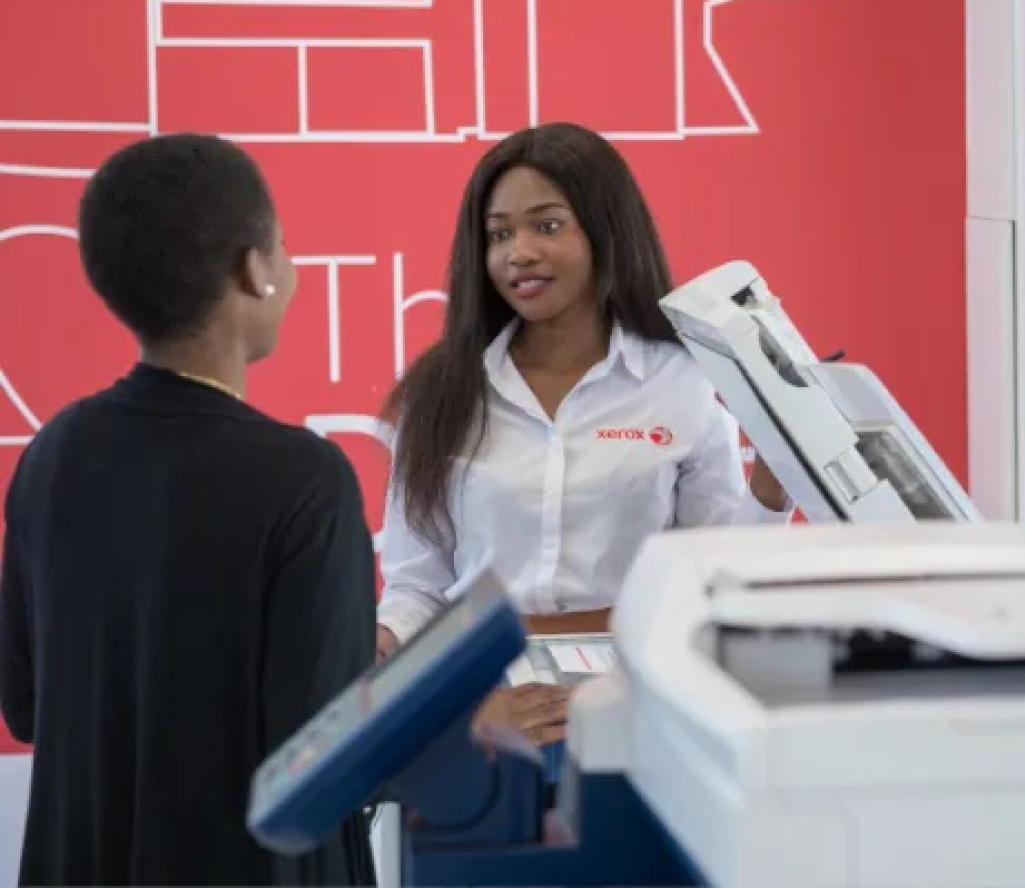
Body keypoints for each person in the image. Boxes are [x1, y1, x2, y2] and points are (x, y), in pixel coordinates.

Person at [0, 134, 377, 885]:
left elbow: (26, 704)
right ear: (252, 269)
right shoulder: (306, 481)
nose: (292, 269)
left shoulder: (51, 456)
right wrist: (460, 714)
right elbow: (322, 758)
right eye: (283, 247)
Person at [375, 122, 790, 747]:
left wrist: (773, 487)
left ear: (606, 230)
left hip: (639, 694)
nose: (519, 253)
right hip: (480, 701)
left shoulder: (681, 380)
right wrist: (382, 652)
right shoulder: (440, 391)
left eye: (547, 226)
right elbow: (417, 585)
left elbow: (713, 572)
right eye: (499, 234)